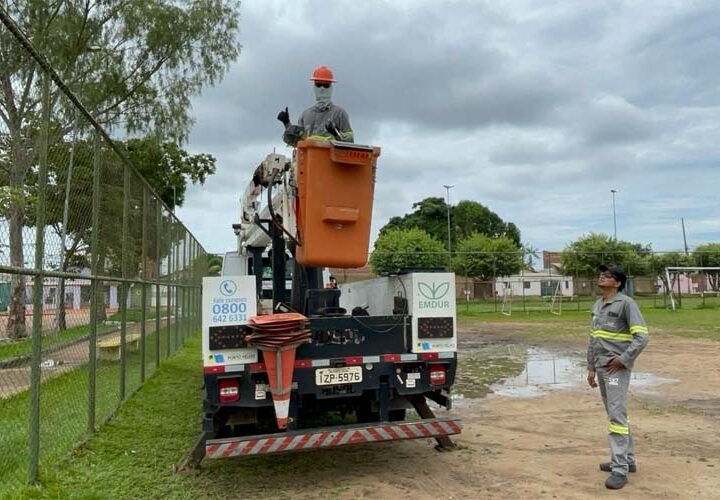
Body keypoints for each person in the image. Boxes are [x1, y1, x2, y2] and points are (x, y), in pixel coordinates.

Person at [587, 265, 649, 490]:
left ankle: (620, 469)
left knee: (616, 417)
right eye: (601, 274)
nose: (602, 276)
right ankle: (628, 460)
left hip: (616, 371)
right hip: (602, 369)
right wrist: (591, 368)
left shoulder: (627, 304)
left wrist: (623, 359)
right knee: (616, 413)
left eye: (608, 275)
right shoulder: (598, 305)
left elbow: (641, 337)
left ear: (618, 283)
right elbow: (593, 338)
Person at [277, 65, 354, 146]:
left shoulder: (339, 113)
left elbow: (350, 141)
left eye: (326, 85)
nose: (322, 89)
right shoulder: (305, 115)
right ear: (314, 86)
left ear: (331, 87)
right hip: (309, 158)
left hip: (330, 158)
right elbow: (297, 141)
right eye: (318, 84)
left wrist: (336, 134)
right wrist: (287, 124)